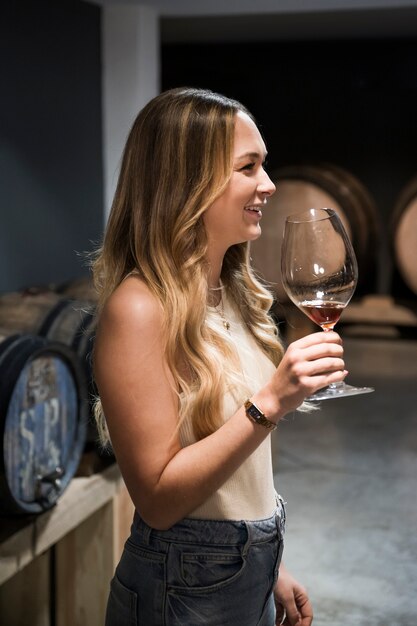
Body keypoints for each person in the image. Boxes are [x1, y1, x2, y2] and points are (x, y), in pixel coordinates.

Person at [92, 87, 346, 626]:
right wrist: (270, 402)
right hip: (180, 588)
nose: (269, 184)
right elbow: (159, 501)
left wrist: (266, 563)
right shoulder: (139, 310)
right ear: (188, 182)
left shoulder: (231, 292)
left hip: (241, 568)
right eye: (248, 167)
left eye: (265, 165)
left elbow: (232, 480)